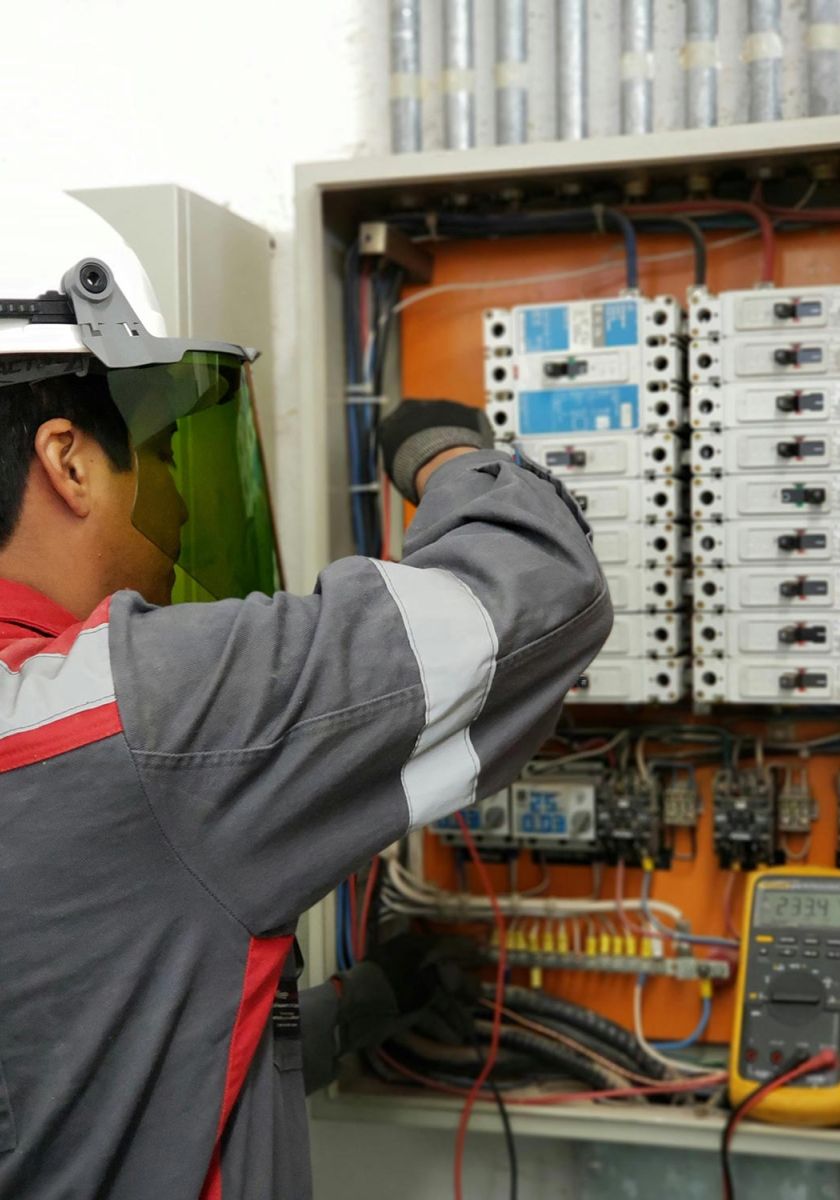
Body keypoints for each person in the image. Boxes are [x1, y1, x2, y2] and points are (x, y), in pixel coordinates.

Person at [0, 188, 612, 1200]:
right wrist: (450, 453)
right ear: (67, 460)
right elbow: (540, 596)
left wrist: (364, 1007)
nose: (182, 498)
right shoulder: (139, 715)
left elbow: (92, 1082)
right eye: (154, 457)